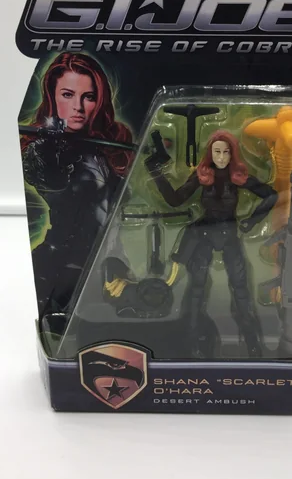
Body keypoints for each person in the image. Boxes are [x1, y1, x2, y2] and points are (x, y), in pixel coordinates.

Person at [145, 130, 277, 358]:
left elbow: (271, 195)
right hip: (204, 234)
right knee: (196, 289)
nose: (222, 157)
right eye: (217, 152)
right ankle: (190, 341)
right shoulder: (203, 175)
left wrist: (251, 221)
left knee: (241, 290)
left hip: (229, 234)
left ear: (233, 154)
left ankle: (252, 341)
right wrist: (156, 172)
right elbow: (175, 200)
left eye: (226, 152)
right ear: (210, 153)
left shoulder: (237, 176)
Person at [22, 53, 133, 315]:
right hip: (60, 268)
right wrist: (49, 146)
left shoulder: (106, 149)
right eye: (68, 95)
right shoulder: (45, 150)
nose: (78, 107)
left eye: (88, 97)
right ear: (52, 97)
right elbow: (51, 179)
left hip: (109, 261)